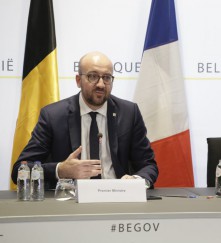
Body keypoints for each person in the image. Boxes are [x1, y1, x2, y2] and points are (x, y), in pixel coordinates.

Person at [11, 51, 158, 189]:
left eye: (106, 77)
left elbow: (148, 165)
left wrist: (136, 181)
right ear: (78, 80)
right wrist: (60, 170)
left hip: (117, 197)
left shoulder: (129, 113)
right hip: (71, 202)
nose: (101, 84)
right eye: (93, 76)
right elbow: (20, 169)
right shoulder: (53, 116)